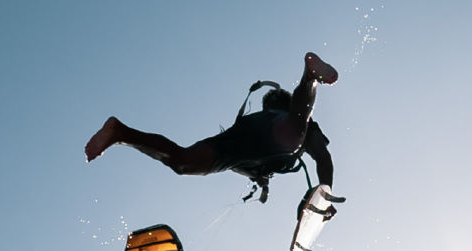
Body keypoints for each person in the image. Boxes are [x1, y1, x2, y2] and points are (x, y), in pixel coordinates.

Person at [85, 52, 339, 215]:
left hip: (239, 139)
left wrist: (258, 177)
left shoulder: (257, 130)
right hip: (270, 134)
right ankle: (310, 78)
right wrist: (325, 195)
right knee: (293, 136)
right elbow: (323, 157)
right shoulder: (300, 124)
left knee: (183, 162)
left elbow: (236, 162)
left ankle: (120, 132)